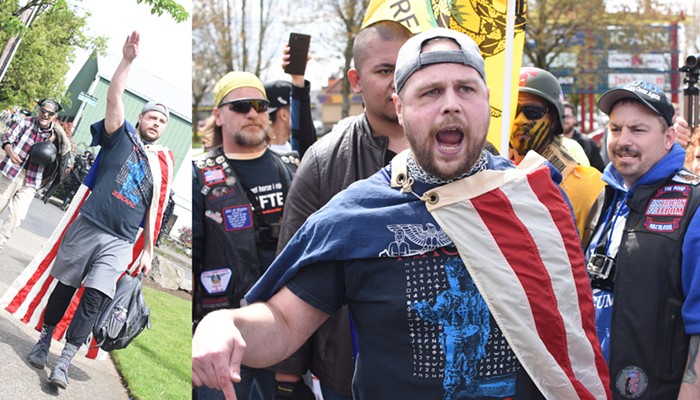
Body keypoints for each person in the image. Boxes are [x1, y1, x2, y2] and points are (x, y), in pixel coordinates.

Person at [193, 27, 610, 400]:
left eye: (466, 89)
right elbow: (283, 322)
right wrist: (225, 324)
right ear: (400, 105)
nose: (451, 105)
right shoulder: (358, 215)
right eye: (429, 93)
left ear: (487, 100)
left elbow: (572, 340)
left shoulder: (533, 199)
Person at [20, 31, 174, 390]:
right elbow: (114, 95)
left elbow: (154, 210)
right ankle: (44, 341)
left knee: (94, 300)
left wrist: (148, 250)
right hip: (90, 224)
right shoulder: (120, 134)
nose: (156, 124)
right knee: (65, 287)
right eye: (152, 117)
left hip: (120, 242)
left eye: (162, 122)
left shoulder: (161, 164)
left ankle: (65, 360)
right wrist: (127, 61)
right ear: (141, 119)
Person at [269, 20, 413, 400]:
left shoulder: (457, 156)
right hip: (343, 375)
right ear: (356, 79)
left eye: (406, 69)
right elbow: (292, 267)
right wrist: (286, 377)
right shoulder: (323, 162)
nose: (398, 82)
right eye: (384, 71)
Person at [586, 80, 700, 399]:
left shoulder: (694, 205)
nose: (623, 141)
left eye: (638, 130)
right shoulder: (605, 196)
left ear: (668, 139)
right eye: (615, 128)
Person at [192, 70, 298, 400]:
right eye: (240, 106)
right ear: (219, 115)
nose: (252, 113)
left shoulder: (292, 168)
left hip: (282, 335)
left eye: (259, 105)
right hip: (221, 338)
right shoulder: (201, 176)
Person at [509, 67, 606, 243]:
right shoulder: (488, 175)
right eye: (512, 111)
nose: (519, 120)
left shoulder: (589, 185)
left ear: (554, 119)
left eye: (532, 112)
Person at [0, 98, 71, 249]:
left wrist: (51, 143)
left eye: (49, 113)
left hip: (32, 180)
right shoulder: (25, 123)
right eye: (43, 111)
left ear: (54, 116)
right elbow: (7, 139)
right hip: (11, 172)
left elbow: (63, 159)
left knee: (17, 216)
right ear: (39, 110)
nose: (45, 115)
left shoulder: (57, 135)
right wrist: (10, 152)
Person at [563, 102, 606, 172]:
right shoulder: (549, 143)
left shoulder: (588, 144)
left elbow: (599, 172)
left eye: (567, 117)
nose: (564, 120)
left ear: (574, 119)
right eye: (562, 116)